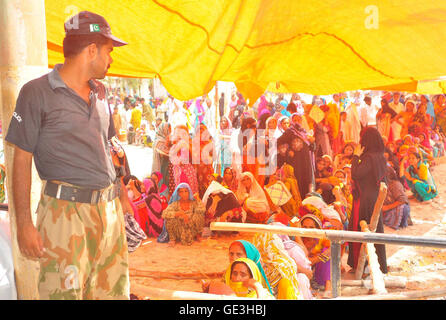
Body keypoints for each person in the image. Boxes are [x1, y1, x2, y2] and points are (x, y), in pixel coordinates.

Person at [5, 11, 131, 299]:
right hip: (64, 215)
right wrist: (24, 223)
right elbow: (21, 159)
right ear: (91, 50)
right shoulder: (36, 93)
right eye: (109, 51)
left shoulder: (101, 92)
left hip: (108, 213)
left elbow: (109, 145)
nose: (111, 59)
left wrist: (121, 193)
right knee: (62, 295)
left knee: (113, 294)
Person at [347, 127, 388, 274]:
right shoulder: (380, 156)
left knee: (362, 229)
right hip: (374, 197)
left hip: (365, 199)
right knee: (375, 230)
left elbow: (356, 174)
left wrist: (355, 157)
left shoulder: (369, 157)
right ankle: (376, 265)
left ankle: (362, 266)